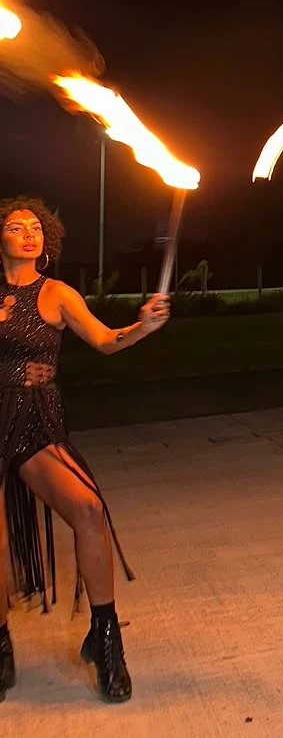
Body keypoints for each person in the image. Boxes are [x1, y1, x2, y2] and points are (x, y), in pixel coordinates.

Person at [0, 196, 170, 703]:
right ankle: (1, 645)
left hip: (33, 421)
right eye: (15, 226)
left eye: (36, 227)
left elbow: (104, 339)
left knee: (89, 508)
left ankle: (106, 638)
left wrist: (142, 327)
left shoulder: (55, 294)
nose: (28, 233)